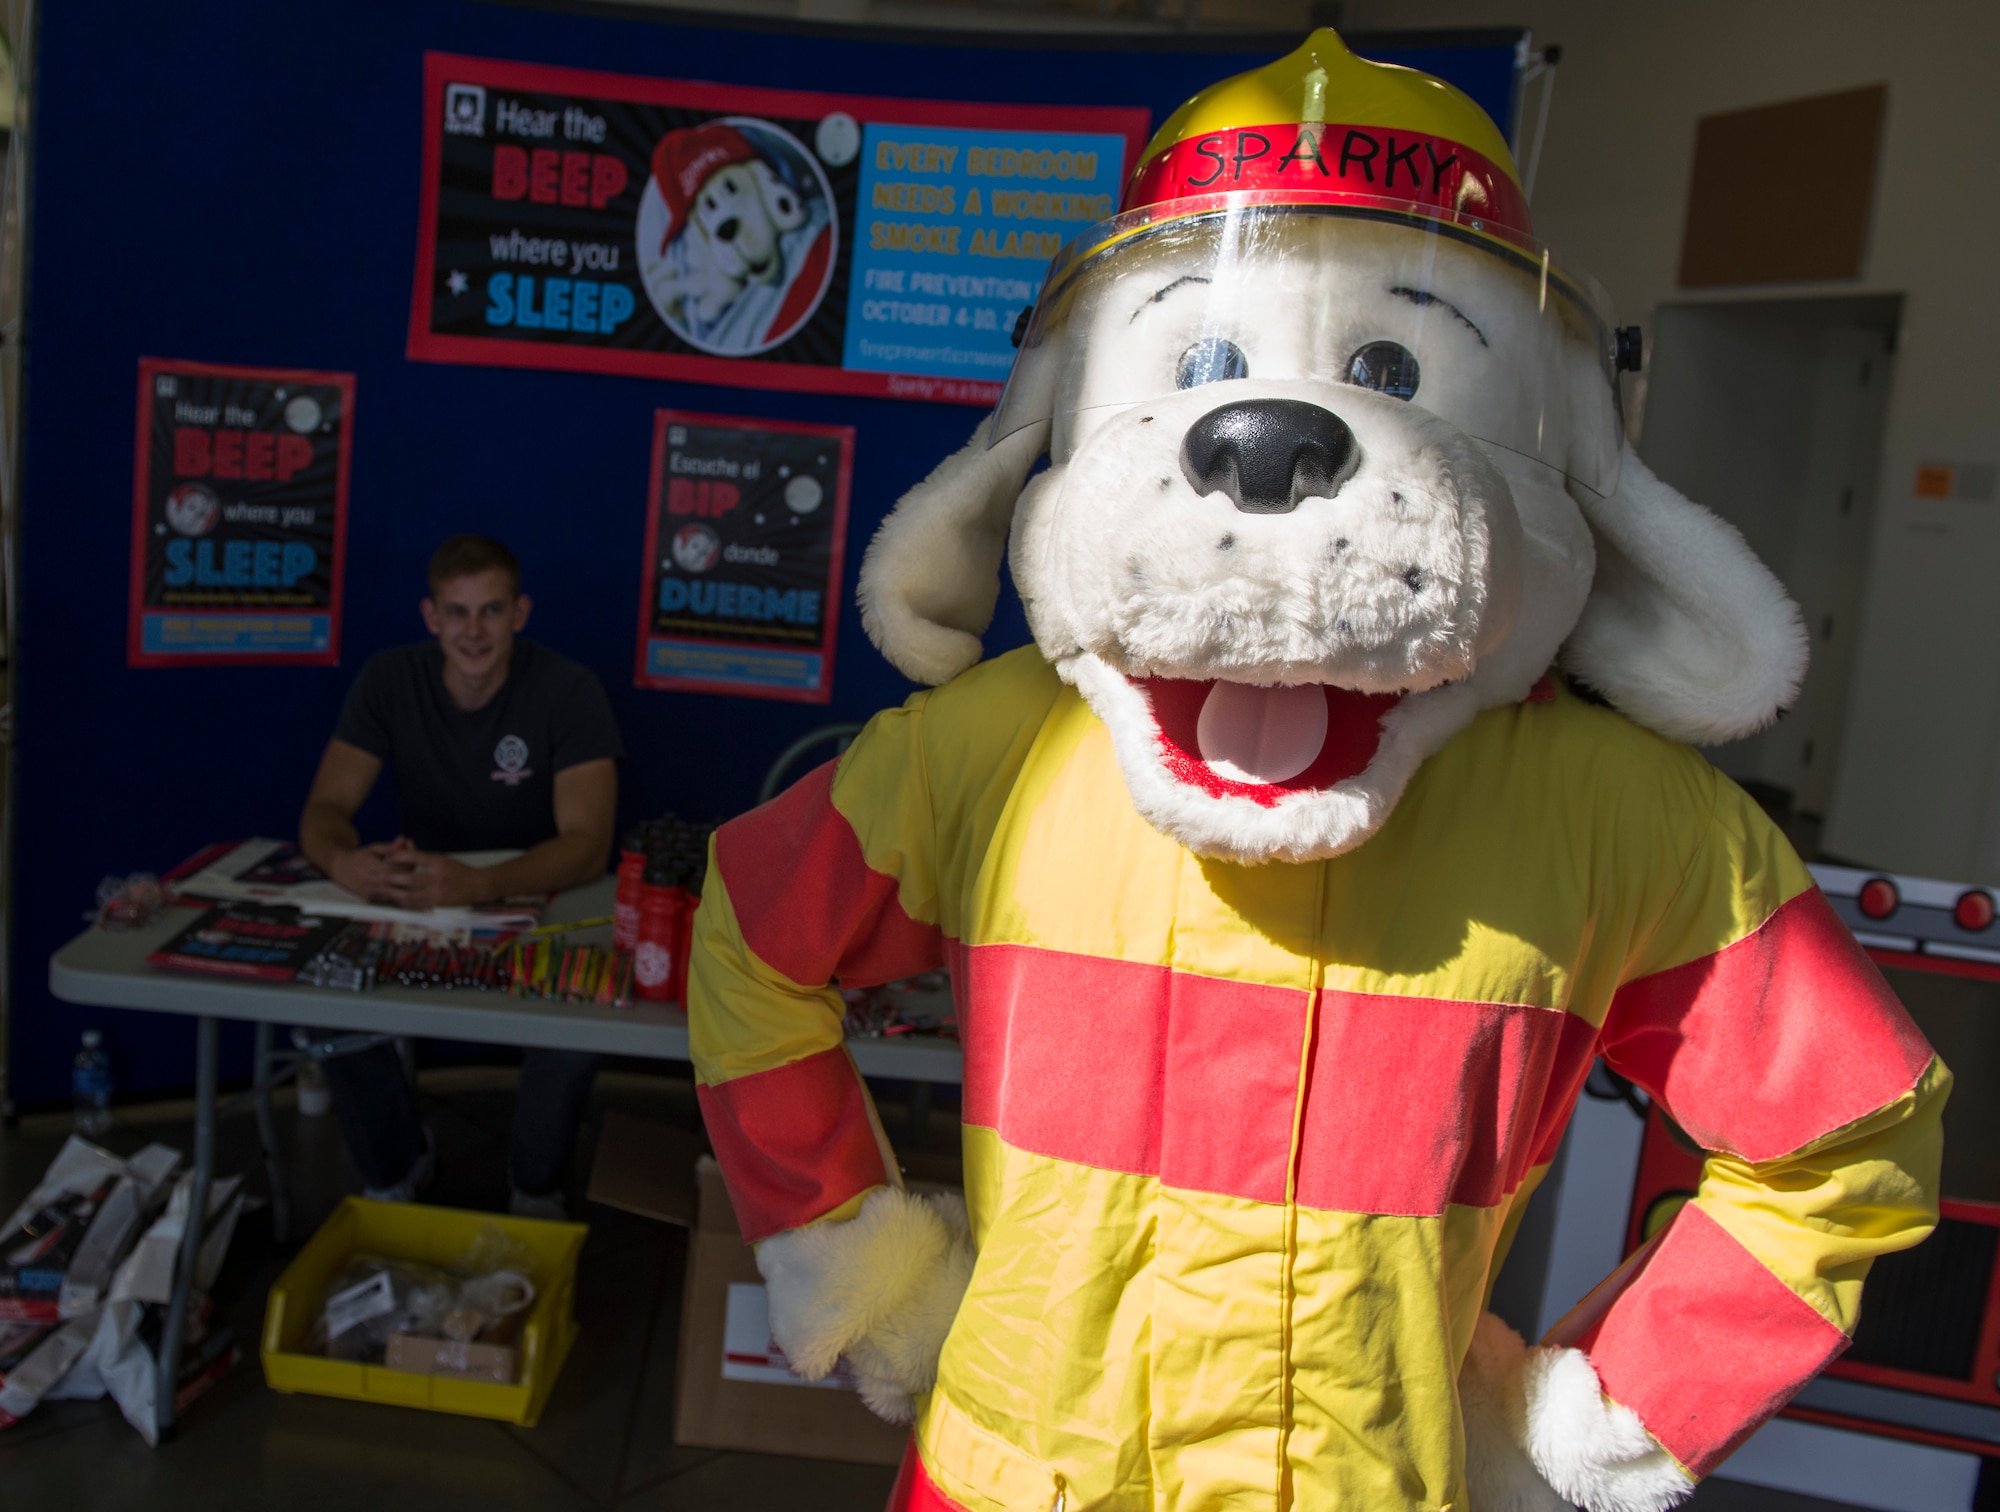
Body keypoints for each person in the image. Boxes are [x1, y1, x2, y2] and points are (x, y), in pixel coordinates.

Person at [299, 535, 624, 1216]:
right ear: (430, 616)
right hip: (423, 899)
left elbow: (589, 848)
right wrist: (346, 864)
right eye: (457, 612)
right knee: (322, 999)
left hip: (541, 900)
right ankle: (396, 1165)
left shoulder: (569, 689)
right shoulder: (389, 678)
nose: (473, 631)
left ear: (520, 613)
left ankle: (534, 1187)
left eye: (490, 611)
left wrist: (475, 885)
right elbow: (325, 811)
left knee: (579, 1019)